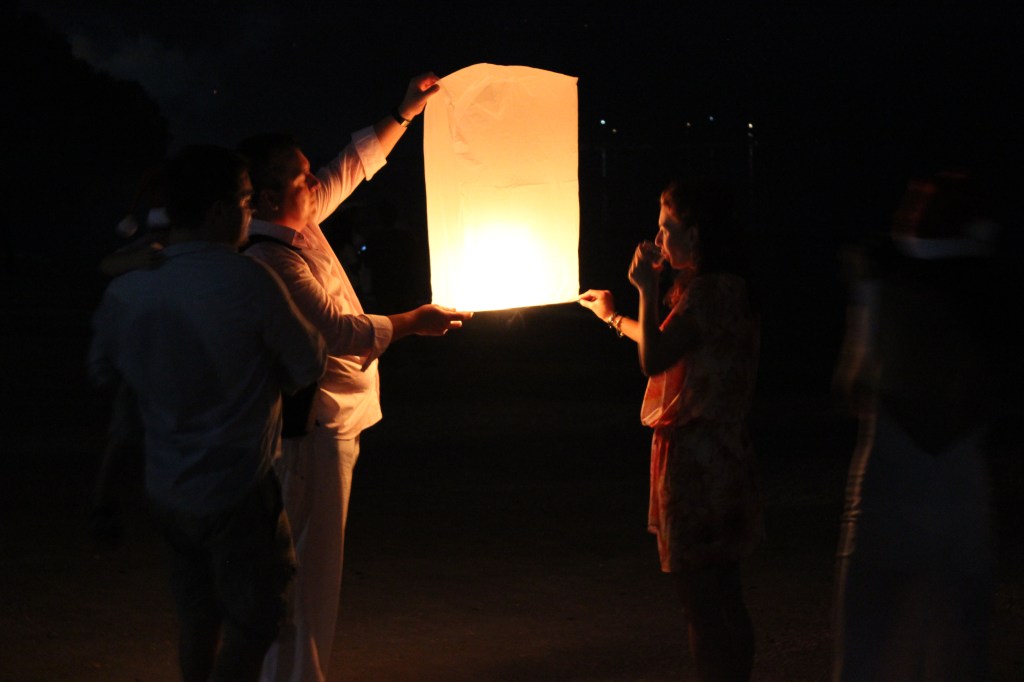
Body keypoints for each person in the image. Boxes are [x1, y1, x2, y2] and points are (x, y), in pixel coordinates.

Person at [237, 72, 473, 682]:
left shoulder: (297, 225)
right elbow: (336, 332)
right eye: (300, 177)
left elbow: (349, 167)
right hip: (310, 435)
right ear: (262, 197)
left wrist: (404, 113)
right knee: (307, 577)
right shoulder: (268, 258)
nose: (314, 183)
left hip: (331, 426)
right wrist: (413, 322)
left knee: (314, 574)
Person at [88, 145, 328, 681]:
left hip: (168, 485)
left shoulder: (129, 288)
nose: (251, 212)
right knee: (256, 617)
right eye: (247, 201)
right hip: (239, 484)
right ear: (221, 210)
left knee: (197, 616)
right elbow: (308, 361)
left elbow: (104, 371)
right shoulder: (248, 281)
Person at [830, 170, 1016, 681]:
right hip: (953, 483)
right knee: (954, 642)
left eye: (918, 205)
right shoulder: (986, 286)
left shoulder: (882, 275)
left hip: (893, 479)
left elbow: (850, 384)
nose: (906, 213)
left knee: (870, 637)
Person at [579, 176, 764, 681]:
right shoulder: (725, 289)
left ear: (695, 235)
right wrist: (615, 317)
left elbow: (655, 359)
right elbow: (669, 344)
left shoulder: (707, 293)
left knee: (702, 607)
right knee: (726, 595)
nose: (657, 240)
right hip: (725, 455)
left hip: (699, 463)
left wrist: (646, 288)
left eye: (666, 229)